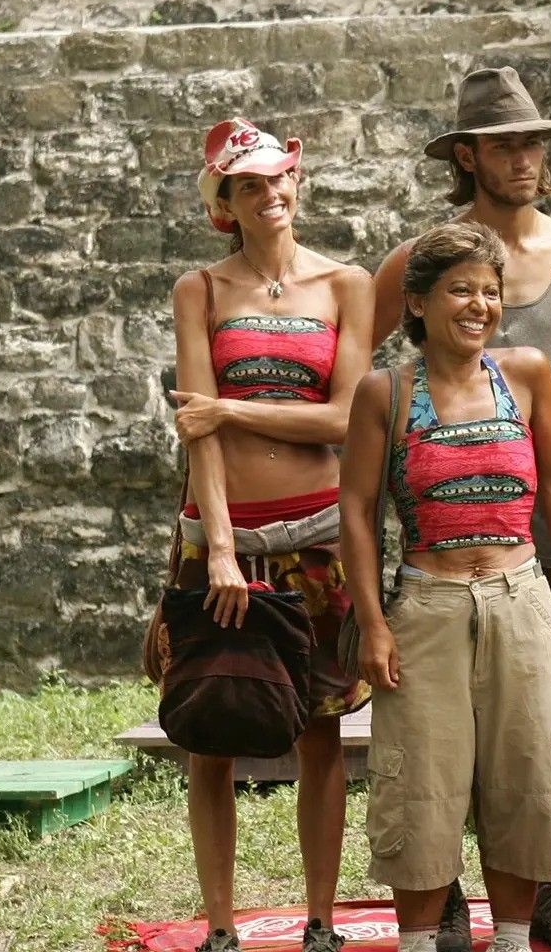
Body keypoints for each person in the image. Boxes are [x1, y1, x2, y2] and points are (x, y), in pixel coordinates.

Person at [371, 65, 551, 952]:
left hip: (546, 514)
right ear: (469, 155)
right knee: (442, 732)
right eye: (508, 144)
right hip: (439, 513)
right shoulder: (420, 264)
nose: (526, 160)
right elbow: (365, 379)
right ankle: (439, 897)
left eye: (536, 144)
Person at [341, 222, 551, 952]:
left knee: (529, 776)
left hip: (521, 597)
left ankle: (512, 939)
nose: (479, 305)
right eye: (460, 290)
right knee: (419, 783)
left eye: (490, 291)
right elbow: (356, 510)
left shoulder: (526, 373)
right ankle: (421, 943)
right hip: (427, 605)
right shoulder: (384, 392)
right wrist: (375, 623)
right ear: (417, 302)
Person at [168, 117, 374, 952]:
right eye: (249, 184)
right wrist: (218, 546)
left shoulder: (345, 284)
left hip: (319, 532)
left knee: (320, 726)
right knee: (209, 727)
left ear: (299, 182)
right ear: (225, 201)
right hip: (219, 537)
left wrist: (234, 406)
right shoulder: (202, 290)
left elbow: (347, 419)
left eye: (280, 177)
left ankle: (321, 920)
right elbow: (198, 430)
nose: (271, 193)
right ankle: (221, 926)